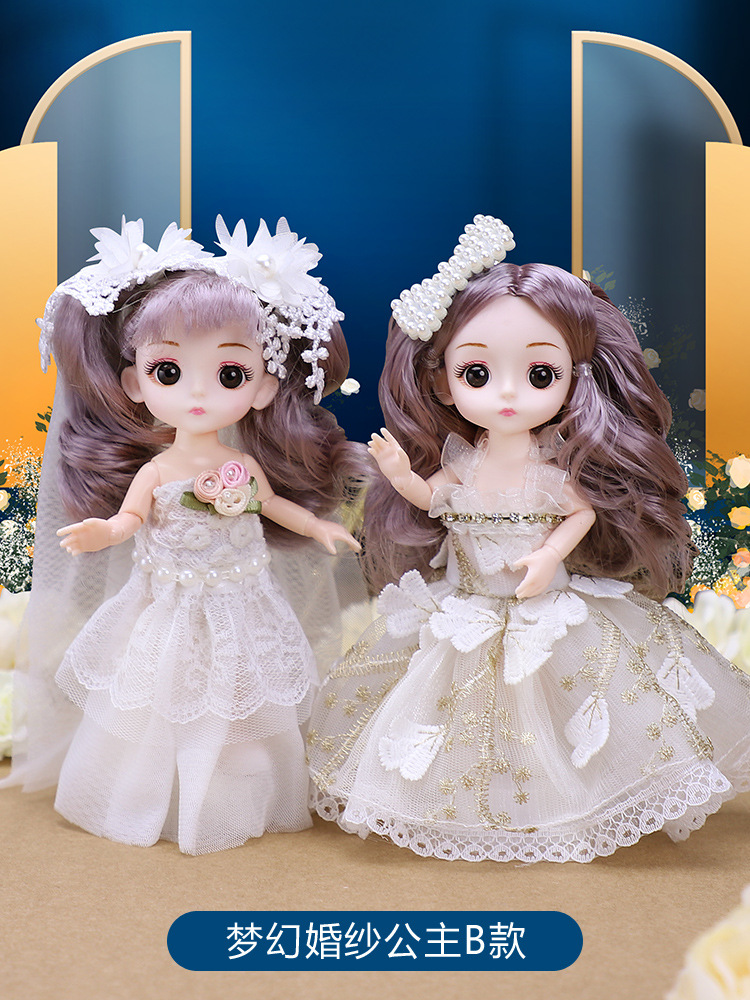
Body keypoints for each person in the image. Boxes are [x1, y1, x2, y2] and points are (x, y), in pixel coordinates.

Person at [307, 215, 750, 863]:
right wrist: (400, 475)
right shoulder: (463, 463)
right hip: (466, 608)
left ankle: (570, 808)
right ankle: (473, 808)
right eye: (478, 373)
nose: (509, 394)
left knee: (560, 707)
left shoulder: (550, 468)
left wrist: (549, 554)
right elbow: (435, 500)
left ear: (575, 377)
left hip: (546, 606)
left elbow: (579, 513)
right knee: (455, 712)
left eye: (540, 374)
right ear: (442, 380)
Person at [5, 216, 364, 854]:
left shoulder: (241, 466)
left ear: (262, 387)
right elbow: (130, 519)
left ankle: (234, 782)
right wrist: (104, 531)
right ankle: (159, 789)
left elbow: (268, 504)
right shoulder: (158, 470)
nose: (198, 392)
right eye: (169, 371)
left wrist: (316, 525)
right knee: (161, 695)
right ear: (136, 383)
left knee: (241, 688)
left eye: (229, 374)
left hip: (241, 601)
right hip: (168, 605)